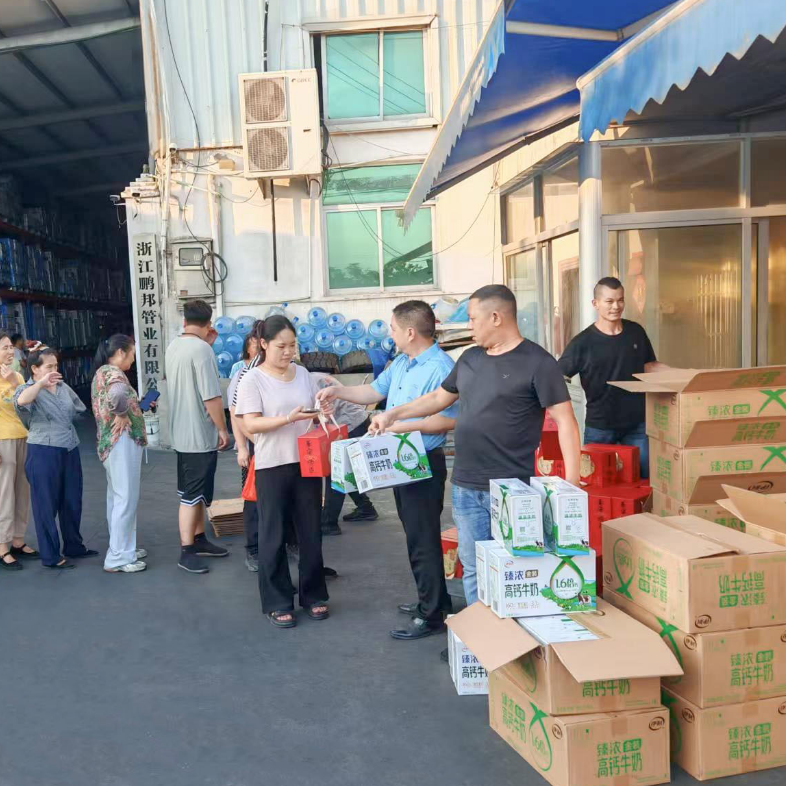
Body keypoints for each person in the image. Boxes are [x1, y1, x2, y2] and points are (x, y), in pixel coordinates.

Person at [367, 285, 581, 611]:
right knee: (473, 566)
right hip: (466, 486)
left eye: (472, 319)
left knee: (514, 568)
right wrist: (393, 413)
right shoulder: (469, 359)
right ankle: (479, 645)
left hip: (511, 488)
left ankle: (510, 648)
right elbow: (439, 398)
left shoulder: (538, 363)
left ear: (495, 317)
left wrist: (573, 482)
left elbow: (565, 421)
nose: (469, 326)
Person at [317, 300, 458, 641]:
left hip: (422, 464)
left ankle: (432, 614)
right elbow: (374, 390)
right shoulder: (403, 363)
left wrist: (398, 427)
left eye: (393, 328)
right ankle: (434, 600)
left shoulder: (441, 367)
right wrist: (338, 391)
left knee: (423, 537)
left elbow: (445, 421)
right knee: (414, 535)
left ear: (410, 332)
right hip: (400, 461)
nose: (390, 334)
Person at [235, 315, 329, 628]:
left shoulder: (302, 374)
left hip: (307, 462)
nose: (288, 351)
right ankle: (277, 601)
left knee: (310, 531)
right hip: (271, 465)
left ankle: (314, 595)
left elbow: (310, 412)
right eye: (281, 346)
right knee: (272, 534)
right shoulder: (253, 379)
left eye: (292, 345)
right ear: (263, 344)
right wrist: (286, 419)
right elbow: (251, 424)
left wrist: (319, 414)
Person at [557, 277, 668, 479]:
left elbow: (650, 367)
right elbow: (557, 377)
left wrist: (688, 375)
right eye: (609, 301)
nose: (616, 306)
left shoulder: (635, 332)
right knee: (598, 485)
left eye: (620, 300)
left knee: (642, 483)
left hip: (637, 426)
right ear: (595, 304)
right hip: (600, 428)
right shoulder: (582, 343)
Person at [14, 348, 98, 569]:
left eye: (56, 366)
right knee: (46, 505)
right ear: (34, 368)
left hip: (69, 447)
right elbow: (22, 402)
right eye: (49, 366)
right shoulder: (27, 389)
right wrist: (41, 384)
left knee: (72, 501)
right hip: (43, 450)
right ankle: (51, 556)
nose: (54, 370)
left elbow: (79, 410)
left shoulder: (62, 387)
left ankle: (74, 546)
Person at [165, 299, 231, 574]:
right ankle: (186, 550)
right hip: (199, 434)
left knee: (195, 491)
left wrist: (208, 343)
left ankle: (199, 539)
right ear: (208, 324)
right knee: (192, 495)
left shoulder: (175, 345)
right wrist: (222, 428)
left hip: (181, 432)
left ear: (184, 322)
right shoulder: (202, 350)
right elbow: (211, 396)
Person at [91, 335, 148, 574]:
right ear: (121, 352)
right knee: (126, 498)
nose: (133, 359)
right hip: (121, 440)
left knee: (117, 497)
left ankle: (123, 547)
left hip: (109, 443)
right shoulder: (114, 373)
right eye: (132, 354)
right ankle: (118, 557)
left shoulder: (101, 372)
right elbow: (117, 395)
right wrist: (123, 413)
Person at [312, 373, 377, 537]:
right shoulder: (318, 376)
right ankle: (365, 507)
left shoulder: (305, 382)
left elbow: (315, 415)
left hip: (348, 424)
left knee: (336, 472)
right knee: (348, 470)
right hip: (359, 420)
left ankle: (328, 523)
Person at [228, 323, 262, 572]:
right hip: (254, 446)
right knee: (253, 500)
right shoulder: (242, 375)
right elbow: (235, 413)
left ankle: (289, 543)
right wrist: (242, 447)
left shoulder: (290, 372)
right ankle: (253, 549)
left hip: (280, 448)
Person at [0, 331, 35, 570]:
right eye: (4, 348)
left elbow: (27, 407)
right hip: (2, 440)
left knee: (22, 490)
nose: (10, 351)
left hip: (23, 436)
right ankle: (2, 546)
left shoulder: (18, 377)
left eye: (10, 347)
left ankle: (18, 540)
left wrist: (15, 382)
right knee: (4, 495)